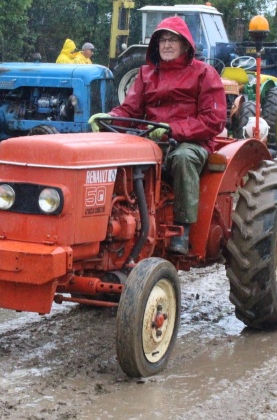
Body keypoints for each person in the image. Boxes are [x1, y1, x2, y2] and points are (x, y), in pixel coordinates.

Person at [88, 16, 227, 254]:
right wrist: (107, 119)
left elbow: (213, 120)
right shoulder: (146, 74)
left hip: (190, 141)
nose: (167, 45)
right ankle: (107, 223)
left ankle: (183, 230)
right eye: (162, 40)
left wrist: (175, 129)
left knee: (183, 159)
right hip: (152, 139)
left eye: (173, 40)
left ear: (186, 45)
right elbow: (129, 110)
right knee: (112, 156)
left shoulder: (204, 74)